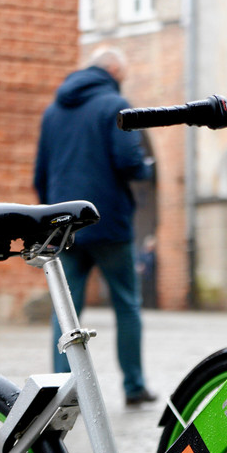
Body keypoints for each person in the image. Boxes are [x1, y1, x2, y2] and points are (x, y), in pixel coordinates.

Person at [34, 47, 156, 406]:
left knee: (66, 309)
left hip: (63, 226)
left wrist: (52, 215)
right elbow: (128, 160)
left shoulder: (53, 111)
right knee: (126, 303)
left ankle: (59, 388)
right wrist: (145, 168)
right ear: (115, 70)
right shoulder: (114, 103)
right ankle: (134, 385)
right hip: (108, 222)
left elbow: (40, 174)